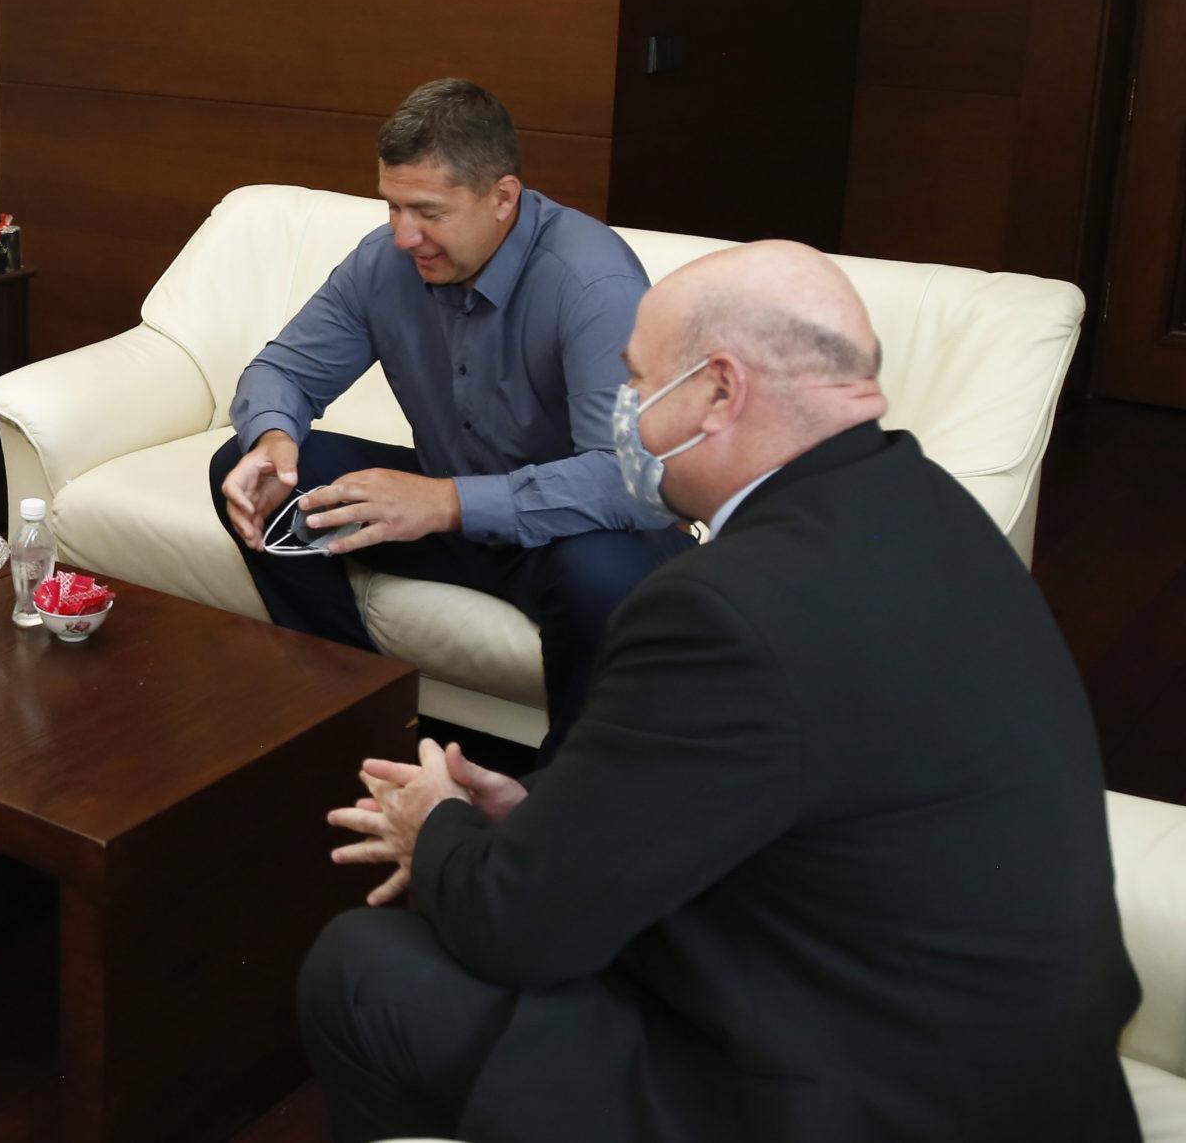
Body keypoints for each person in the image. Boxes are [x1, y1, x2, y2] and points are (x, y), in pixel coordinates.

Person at [302, 240, 1142, 1143]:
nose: (621, 410)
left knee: (361, 966)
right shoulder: (932, 509)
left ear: (718, 391)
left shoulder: (719, 608)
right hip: (1013, 1069)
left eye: (635, 380)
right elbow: (780, 774)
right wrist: (546, 816)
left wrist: (435, 825)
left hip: (855, 1099)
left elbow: (516, 927)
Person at [210, 79, 689, 754]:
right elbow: (282, 371)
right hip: (452, 513)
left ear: (503, 197)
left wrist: (446, 502)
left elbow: (632, 480)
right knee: (247, 469)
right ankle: (351, 716)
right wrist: (273, 436)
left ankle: (566, 793)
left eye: (428, 212)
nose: (404, 235)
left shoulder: (591, 282)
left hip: (571, 532)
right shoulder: (385, 261)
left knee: (603, 577)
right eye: (393, 205)